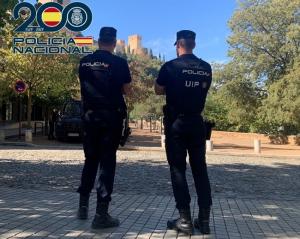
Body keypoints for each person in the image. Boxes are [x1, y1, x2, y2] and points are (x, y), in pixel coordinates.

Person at [155, 30, 212, 235]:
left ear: (178, 44)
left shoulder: (170, 67)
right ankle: (204, 220)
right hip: (197, 123)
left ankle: (185, 220)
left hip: (176, 124)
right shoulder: (206, 68)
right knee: (200, 170)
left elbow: (158, 90)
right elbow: (202, 90)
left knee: (178, 170)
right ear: (193, 44)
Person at [77, 27, 132, 229]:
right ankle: (101, 214)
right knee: (107, 163)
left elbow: (84, 86)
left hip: (90, 116)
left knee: (90, 160)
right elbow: (127, 90)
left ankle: (82, 206)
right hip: (111, 117)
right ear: (114, 42)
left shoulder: (84, 62)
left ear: (99, 41)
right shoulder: (120, 63)